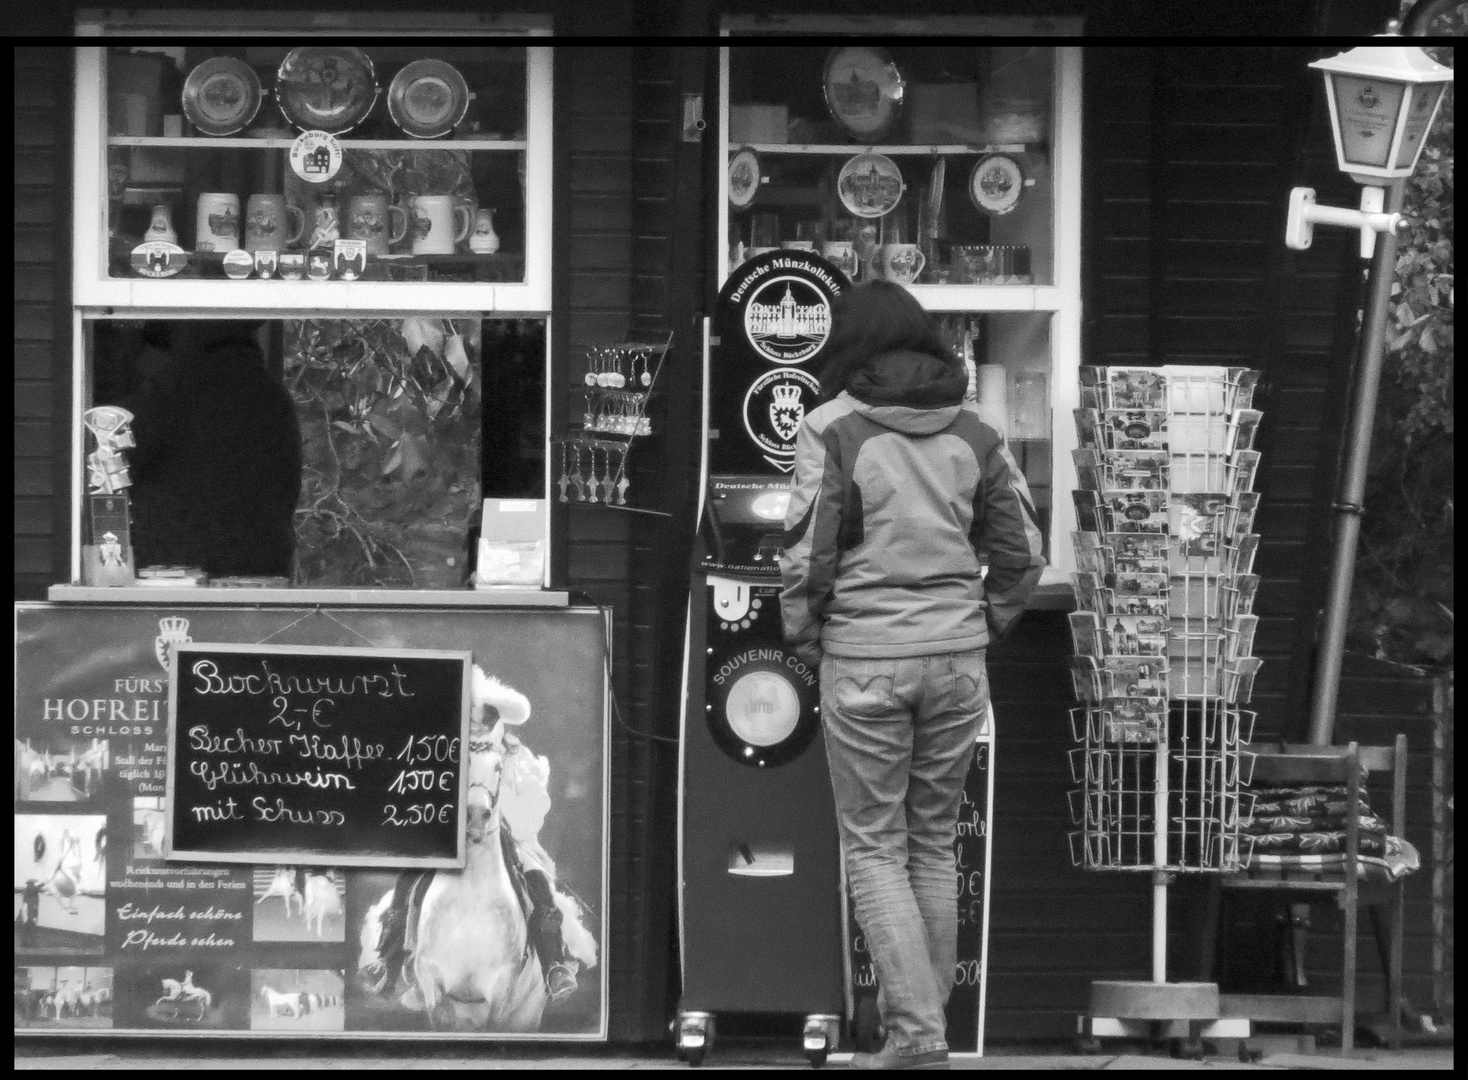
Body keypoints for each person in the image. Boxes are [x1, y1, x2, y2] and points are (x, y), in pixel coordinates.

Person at [780, 281, 1044, 1070]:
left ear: (848, 344)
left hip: (864, 659)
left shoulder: (831, 428)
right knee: (932, 847)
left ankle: (918, 1036)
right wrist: (985, 621)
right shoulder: (978, 429)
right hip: (958, 661)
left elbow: (805, 554)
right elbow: (1024, 551)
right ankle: (919, 1036)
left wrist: (804, 638)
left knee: (874, 850)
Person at [111, 320, 302, 578]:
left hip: (179, 575)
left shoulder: (177, 387)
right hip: (259, 572)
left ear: (189, 326)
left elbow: (109, 455)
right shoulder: (273, 395)